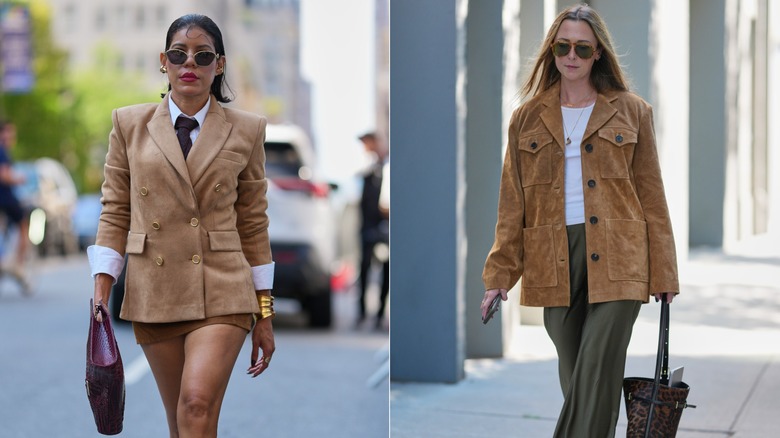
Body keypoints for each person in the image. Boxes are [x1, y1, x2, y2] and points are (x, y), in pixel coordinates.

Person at [480, 4, 679, 437]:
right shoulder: (526, 118)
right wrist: (499, 275)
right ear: (552, 50)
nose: (571, 55)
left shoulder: (632, 111)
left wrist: (664, 272)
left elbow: (653, 198)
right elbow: (511, 204)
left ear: (598, 54)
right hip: (553, 259)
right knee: (581, 379)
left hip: (620, 257)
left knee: (594, 372)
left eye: (582, 48)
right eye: (563, 46)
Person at [88, 14, 275, 437]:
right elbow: (115, 209)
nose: (189, 62)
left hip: (224, 287)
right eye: (178, 53)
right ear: (164, 61)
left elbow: (253, 223)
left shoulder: (247, 130)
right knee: (180, 422)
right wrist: (101, 291)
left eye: (202, 54)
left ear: (219, 65)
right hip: (156, 290)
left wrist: (264, 311)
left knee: (196, 403)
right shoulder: (129, 125)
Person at [356, 132, 389, 330]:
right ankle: (362, 313)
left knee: (385, 271)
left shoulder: (388, 168)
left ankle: (378, 315)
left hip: (385, 228)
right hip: (367, 228)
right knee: (364, 270)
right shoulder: (367, 170)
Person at [0, 120, 31, 293]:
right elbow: (4, 175)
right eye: (8, 133)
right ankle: (18, 266)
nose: (11, 137)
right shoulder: (2, 151)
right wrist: (18, 178)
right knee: (23, 225)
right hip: (5, 198)